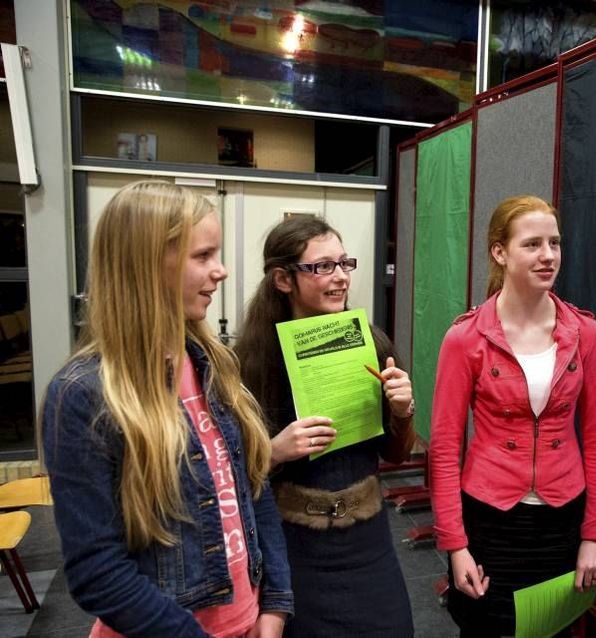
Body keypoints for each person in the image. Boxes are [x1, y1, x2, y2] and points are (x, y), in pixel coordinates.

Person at [42, 180, 293, 637]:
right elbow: (97, 570)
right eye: (203, 256)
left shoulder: (215, 365)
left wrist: (274, 608)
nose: (221, 272)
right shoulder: (83, 395)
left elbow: (253, 490)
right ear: (145, 266)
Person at [430, 195, 596, 636]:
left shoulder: (585, 333)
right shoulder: (465, 338)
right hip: (491, 518)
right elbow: (443, 449)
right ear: (500, 252)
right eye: (532, 244)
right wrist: (455, 545)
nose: (548, 255)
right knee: (487, 627)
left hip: (563, 517)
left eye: (554, 243)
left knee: (553, 628)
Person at [235, 215, 415, 637]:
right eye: (322, 267)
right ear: (283, 279)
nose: (340, 278)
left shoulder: (372, 342)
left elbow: (396, 454)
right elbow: (226, 474)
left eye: (344, 263)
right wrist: (273, 451)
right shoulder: (250, 363)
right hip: (293, 548)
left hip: (368, 543)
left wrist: (402, 411)